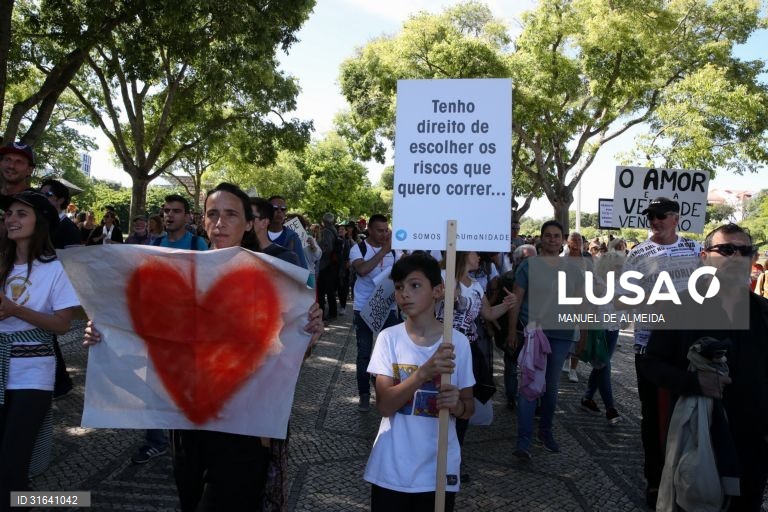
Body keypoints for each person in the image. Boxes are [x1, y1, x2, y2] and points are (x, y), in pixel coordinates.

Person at [82, 182, 323, 511]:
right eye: (213, 214)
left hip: (245, 424)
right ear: (203, 220)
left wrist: (308, 336)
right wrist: (106, 332)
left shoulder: (273, 277)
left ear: (249, 223)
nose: (220, 222)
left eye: (231, 214)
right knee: (190, 501)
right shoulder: (178, 271)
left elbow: (291, 353)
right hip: (187, 422)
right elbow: (149, 332)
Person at [640, 223, 768, 511]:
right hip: (699, 440)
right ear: (705, 257)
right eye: (726, 249)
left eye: (744, 251)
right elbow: (651, 364)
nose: (735, 257)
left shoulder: (763, 313)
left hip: (752, 446)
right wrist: (695, 383)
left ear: (753, 259)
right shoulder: (679, 306)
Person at [364, 252, 474, 511]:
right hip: (391, 469)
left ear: (438, 290)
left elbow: (469, 407)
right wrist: (423, 373)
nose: (405, 294)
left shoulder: (457, 343)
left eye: (415, 285)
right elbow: (384, 406)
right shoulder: (388, 339)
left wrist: (457, 405)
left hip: (438, 470)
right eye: (399, 287)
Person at [616, 197, 701, 508]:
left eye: (661, 215)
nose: (655, 221)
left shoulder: (695, 249)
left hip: (688, 346)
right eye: (651, 216)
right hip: (649, 347)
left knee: (691, 413)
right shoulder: (638, 253)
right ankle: (654, 480)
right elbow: (620, 300)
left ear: (676, 217)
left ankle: (687, 477)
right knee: (652, 416)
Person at [0, 191, 79, 509]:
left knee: (13, 461)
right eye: (9, 213)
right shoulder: (2, 263)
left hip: (33, 374)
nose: (11, 219)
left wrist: (16, 310)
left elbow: (62, 325)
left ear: (41, 222)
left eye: (22, 214)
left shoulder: (56, 269)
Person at [507, 220, 585, 459]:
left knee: (551, 387)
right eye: (548, 235)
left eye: (556, 236)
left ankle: (545, 431)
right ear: (541, 238)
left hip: (561, 334)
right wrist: (511, 330)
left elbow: (580, 304)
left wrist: (583, 334)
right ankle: (523, 441)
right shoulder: (528, 266)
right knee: (529, 385)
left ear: (563, 240)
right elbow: (516, 300)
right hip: (533, 333)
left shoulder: (573, 270)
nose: (552, 239)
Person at [349, 214, 401, 412]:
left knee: (391, 352)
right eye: (380, 230)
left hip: (388, 307)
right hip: (364, 308)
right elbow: (362, 270)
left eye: (386, 230)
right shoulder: (358, 248)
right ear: (369, 230)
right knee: (364, 353)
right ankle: (364, 394)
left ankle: (389, 390)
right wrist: (383, 252)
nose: (384, 234)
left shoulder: (395, 251)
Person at [579, 250, 624, 424]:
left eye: (621, 267)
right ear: (608, 266)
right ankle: (610, 408)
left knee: (600, 366)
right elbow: (585, 305)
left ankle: (587, 398)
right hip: (598, 329)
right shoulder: (596, 281)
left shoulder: (621, 283)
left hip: (614, 328)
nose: (620, 270)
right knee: (604, 365)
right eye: (617, 267)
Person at [267, 196, 308, 269]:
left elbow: (302, 267)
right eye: (275, 208)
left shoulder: (293, 237)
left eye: (283, 209)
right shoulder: (257, 234)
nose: (279, 211)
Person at [317, 213, 340, 321]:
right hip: (332, 264)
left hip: (325, 264)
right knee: (330, 290)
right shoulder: (334, 230)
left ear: (324, 221)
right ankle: (332, 312)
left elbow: (327, 248)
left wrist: (318, 250)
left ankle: (327, 313)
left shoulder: (326, 231)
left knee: (322, 290)